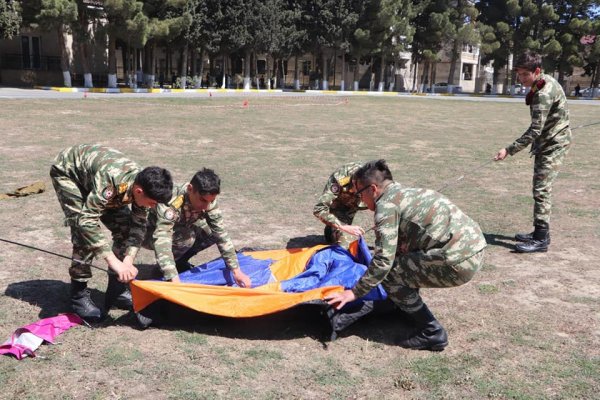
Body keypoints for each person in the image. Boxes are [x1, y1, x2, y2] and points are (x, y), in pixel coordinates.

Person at [325, 160, 486, 351]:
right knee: (403, 263)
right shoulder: (410, 192)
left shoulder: (386, 207)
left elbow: (384, 261)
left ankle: (432, 332)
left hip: (458, 262)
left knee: (390, 276)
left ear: (373, 189)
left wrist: (354, 292)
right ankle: (402, 306)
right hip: (476, 248)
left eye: (360, 194)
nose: (360, 200)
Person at [50, 144, 173, 322]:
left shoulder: (141, 186)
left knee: (125, 228)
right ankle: (78, 295)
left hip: (98, 182)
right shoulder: (112, 181)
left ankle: (117, 290)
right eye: (153, 203)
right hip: (69, 173)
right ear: (139, 191)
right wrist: (114, 262)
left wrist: (128, 261)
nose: (154, 207)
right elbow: (87, 222)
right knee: (83, 233)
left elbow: (138, 226)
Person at [494, 51, 572, 253]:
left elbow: (536, 130)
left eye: (525, 75)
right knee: (539, 188)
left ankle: (541, 239)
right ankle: (538, 232)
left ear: (537, 71)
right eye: (519, 74)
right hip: (550, 140)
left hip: (553, 144)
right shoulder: (544, 82)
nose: (521, 79)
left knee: (541, 189)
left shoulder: (543, 93)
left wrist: (509, 150)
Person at [144, 168, 251, 288]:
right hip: (149, 233)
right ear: (190, 189)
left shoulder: (208, 202)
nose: (206, 206)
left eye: (211, 201)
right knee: (186, 238)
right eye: (202, 200)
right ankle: (162, 271)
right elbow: (162, 239)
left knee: (210, 233)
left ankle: (179, 262)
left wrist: (236, 271)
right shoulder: (171, 202)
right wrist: (173, 279)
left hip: (178, 229)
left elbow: (220, 233)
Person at [313, 162, 367, 248]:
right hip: (342, 203)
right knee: (348, 241)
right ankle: (332, 229)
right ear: (353, 182)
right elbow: (319, 209)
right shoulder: (340, 179)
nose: (360, 194)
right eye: (358, 189)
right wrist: (343, 226)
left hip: (360, 203)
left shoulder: (376, 178)